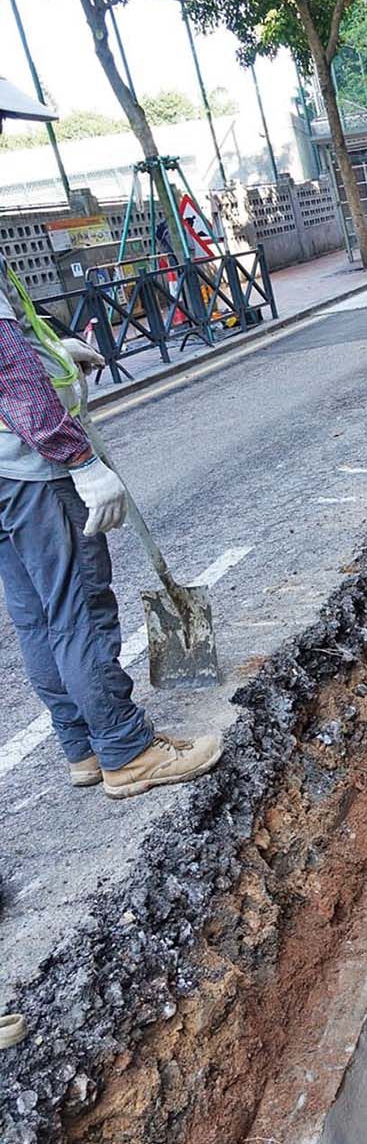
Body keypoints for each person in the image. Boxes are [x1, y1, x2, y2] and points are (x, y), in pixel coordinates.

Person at [0, 254, 222, 798]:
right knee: (79, 610)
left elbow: (16, 349)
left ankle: (83, 748)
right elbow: (9, 369)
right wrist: (80, 461)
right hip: (30, 471)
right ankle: (127, 751)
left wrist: (50, 351)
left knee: (36, 617)